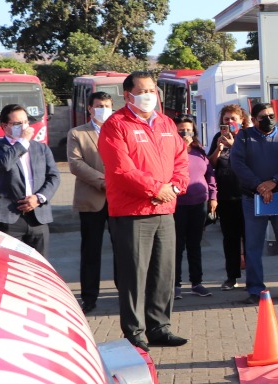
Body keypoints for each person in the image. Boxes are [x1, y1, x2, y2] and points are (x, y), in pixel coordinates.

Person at [99, 71, 189, 351]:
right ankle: (134, 332)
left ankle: (160, 327)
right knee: (134, 275)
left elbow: (181, 160)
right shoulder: (116, 125)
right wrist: (155, 189)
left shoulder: (165, 123)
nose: (150, 95)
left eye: (153, 90)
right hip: (132, 212)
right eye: (143, 91)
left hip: (165, 209)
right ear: (128, 95)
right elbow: (121, 169)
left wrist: (174, 187)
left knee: (164, 272)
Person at [231, 101, 278, 303]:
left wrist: (274, 182)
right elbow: (238, 164)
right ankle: (255, 290)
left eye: (271, 116)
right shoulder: (244, 138)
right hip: (253, 198)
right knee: (253, 246)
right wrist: (259, 186)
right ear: (253, 120)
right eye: (263, 117)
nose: (269, 120)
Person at [0, 104, 59, 256]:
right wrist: (22, 142)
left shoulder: (41, 148)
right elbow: (5, 164)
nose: (24, 127)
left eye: (26, 122)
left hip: (38, 216)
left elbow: (54, 176)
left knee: (40, 267)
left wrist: (39, 198)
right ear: (4, 126)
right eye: (18, 123)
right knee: (11, 266)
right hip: (9, 218)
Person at [68, 92, 114, 314]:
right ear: (90, 108)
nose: (103, 109)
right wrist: (104, 181)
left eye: (106, 105)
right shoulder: (77, 133)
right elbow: (75, 163)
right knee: (90, 251)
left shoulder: (120, 129)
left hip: (120, 199)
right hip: (92, 199)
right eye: (98, 106)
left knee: (124, 249)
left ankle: (125, 292)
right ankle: (89, 297)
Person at [208, 103, 250, 290]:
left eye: (234, 118)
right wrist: (218, 148)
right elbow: (210, 164)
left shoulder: (248, 136)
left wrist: (234, 147)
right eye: (226, 119)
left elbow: (252, 161)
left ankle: (253, 276)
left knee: (249, 237)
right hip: (226, 197)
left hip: (246, 195)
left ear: (241, 120)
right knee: (230, 238)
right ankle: (231, 276)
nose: (230, 122)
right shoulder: (219, 137)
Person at [174, 116, 217, 298]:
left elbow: (210, 175)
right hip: (177, 205)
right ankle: (175, 285)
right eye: (181, 131)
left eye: (189, 130)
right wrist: (180, 147)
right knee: (176, 246)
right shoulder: (170, 151)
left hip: (198, 203)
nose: (186, 134)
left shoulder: (200, 151)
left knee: (195, 245)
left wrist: (213, 197)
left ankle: (197, 282)